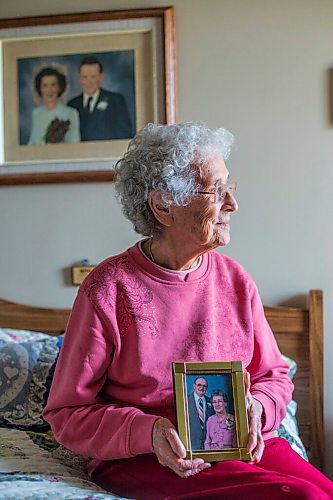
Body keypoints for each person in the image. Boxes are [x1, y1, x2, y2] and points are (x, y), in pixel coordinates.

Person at [44, 122, 333, 499]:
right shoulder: (108, 288)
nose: (232, 203)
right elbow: (67, 413)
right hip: (146, 458)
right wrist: (149, 432)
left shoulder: (235, 280)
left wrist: (259, 408)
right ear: (164, 206)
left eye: (229, 187)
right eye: (216, 191)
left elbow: (274, 376)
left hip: (240, 445)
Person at [67, 56, 134, 141]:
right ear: (79, 78)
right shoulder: (72, 105)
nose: (89, 82)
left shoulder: (116, 101)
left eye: (93, 76)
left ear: (101, 77)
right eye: (85, 77)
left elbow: (125, 136)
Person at [28, 66, 80, 145]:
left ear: (59, 87)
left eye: (53, 85)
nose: (49, 90)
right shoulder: (36, 113)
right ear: (40, 89)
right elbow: (32, 142)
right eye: (45, 85)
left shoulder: (71, 113)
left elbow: (75, 143)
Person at [188, 376, 214, 450]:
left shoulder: (212, 402)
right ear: (194, 386)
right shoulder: (185, 401)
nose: (202, 388)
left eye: (204, 386)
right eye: (199, 385)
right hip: (191, 447)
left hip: (209, 446)